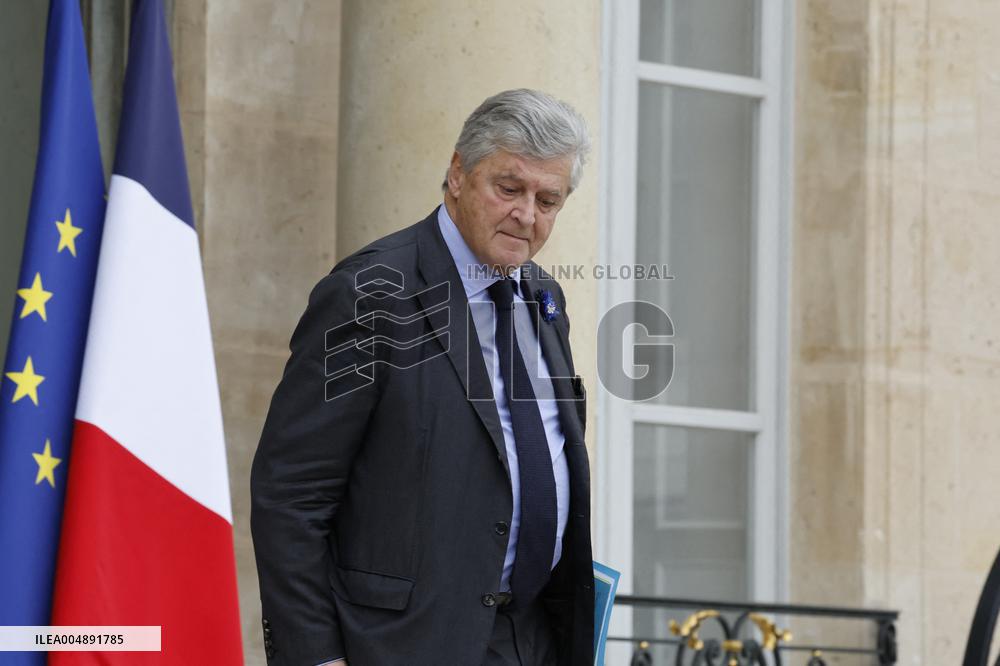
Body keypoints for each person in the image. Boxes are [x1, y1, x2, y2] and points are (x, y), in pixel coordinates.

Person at [250, 89, 594, 666]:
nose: (527, 215)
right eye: (508, 189)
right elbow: (291, 495)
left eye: (548, 200)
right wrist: (315, 656)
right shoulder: (368, 292)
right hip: (400, 645)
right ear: (458, 173)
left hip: (534, 639)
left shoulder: (544, 297)